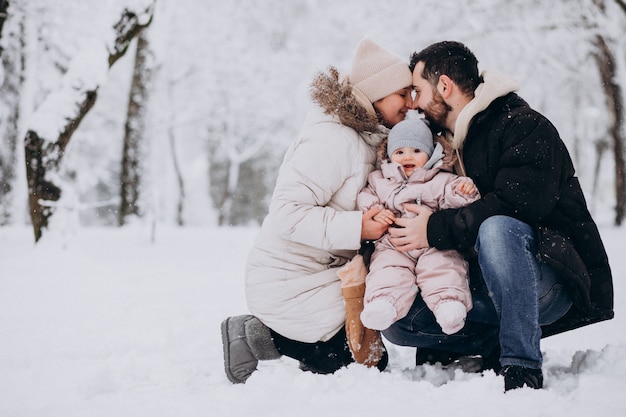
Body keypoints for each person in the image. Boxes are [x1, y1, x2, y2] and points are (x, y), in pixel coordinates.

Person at [385, 41, 614, 391]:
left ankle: (521, 366)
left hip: (547, 283)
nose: (413, 102)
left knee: (498, 228)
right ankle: (484, 340)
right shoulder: (438, 148)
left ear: (444, 86)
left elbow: (516, 205)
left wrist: (432, 228)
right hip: (483, 289)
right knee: (401, 323)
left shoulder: (522, 126)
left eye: (418, 90)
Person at [221, 38, 413, 384]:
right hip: (289, 279)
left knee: (369, 356)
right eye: (403, 93)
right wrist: (358, 228)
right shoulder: (333, 139)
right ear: (378, 94)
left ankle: (304, 341)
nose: (410, 103)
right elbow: (286, 213)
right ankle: (253, 335)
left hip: (321, 272)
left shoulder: (367, 139)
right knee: (356, 363)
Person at [356, 117, 479, 335]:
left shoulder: (440, 180)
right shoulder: (380, 180)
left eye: (416, 150)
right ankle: (384, 304)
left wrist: (462, 191)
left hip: (434, 244)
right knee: (387, 269)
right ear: (389, 155)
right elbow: (366, 196)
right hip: (394, 245)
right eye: (400, 152)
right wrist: (376, 211)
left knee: (443, 267)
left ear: (430, 155)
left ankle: (448, 305)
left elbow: (453, 200)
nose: (407, 157)